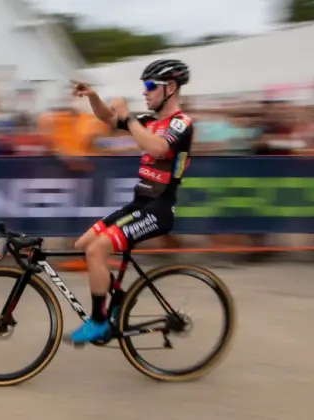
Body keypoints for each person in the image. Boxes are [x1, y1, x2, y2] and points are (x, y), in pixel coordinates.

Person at [67, 59, 194, 344]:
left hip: (159, 208)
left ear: (171, 88)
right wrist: (94, 97)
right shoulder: (150, 122)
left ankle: (99, 322)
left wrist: (130, 117)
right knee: (84, 245)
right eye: (144, 87)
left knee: (98, 250)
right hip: (140, 204)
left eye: (150, 86)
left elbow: (158, 148)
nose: (145, 92)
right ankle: (120, 296)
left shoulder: (180, 123)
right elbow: (108, 120)